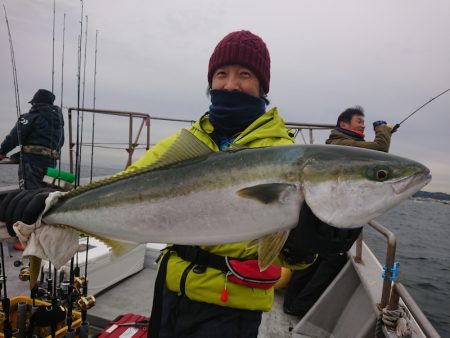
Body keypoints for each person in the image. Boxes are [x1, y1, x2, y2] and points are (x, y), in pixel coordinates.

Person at [0, 31, 315, 338]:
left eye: (244, 74)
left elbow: (291, 255)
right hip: (170, 293)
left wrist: (310, 241)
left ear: (262, 86)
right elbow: (122, 186)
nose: (230, 85)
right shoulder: (187, 141)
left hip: (229, 308)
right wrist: (52, 203)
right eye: (221, 74)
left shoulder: (283, 153)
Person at [283, 105, 395, 318]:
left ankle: (292, 302)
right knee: (331, 259)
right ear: (343, 125)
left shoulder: (343, 144)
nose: (363, 125)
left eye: (364, 122)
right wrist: (382, 128)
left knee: (312, 257)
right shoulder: (344, 145)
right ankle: (300, 305)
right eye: (359, 122)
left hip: (325, 217)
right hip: (333, 220)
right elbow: (380, 149)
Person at [0, 89, 64, 189]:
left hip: (32, 166)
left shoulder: (30, 117)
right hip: (51, 165)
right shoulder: (59, 123)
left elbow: (14, 137)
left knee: (29, 196)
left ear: (35, 102)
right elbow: (58, 143)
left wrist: (2, 151)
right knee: (45, 196)